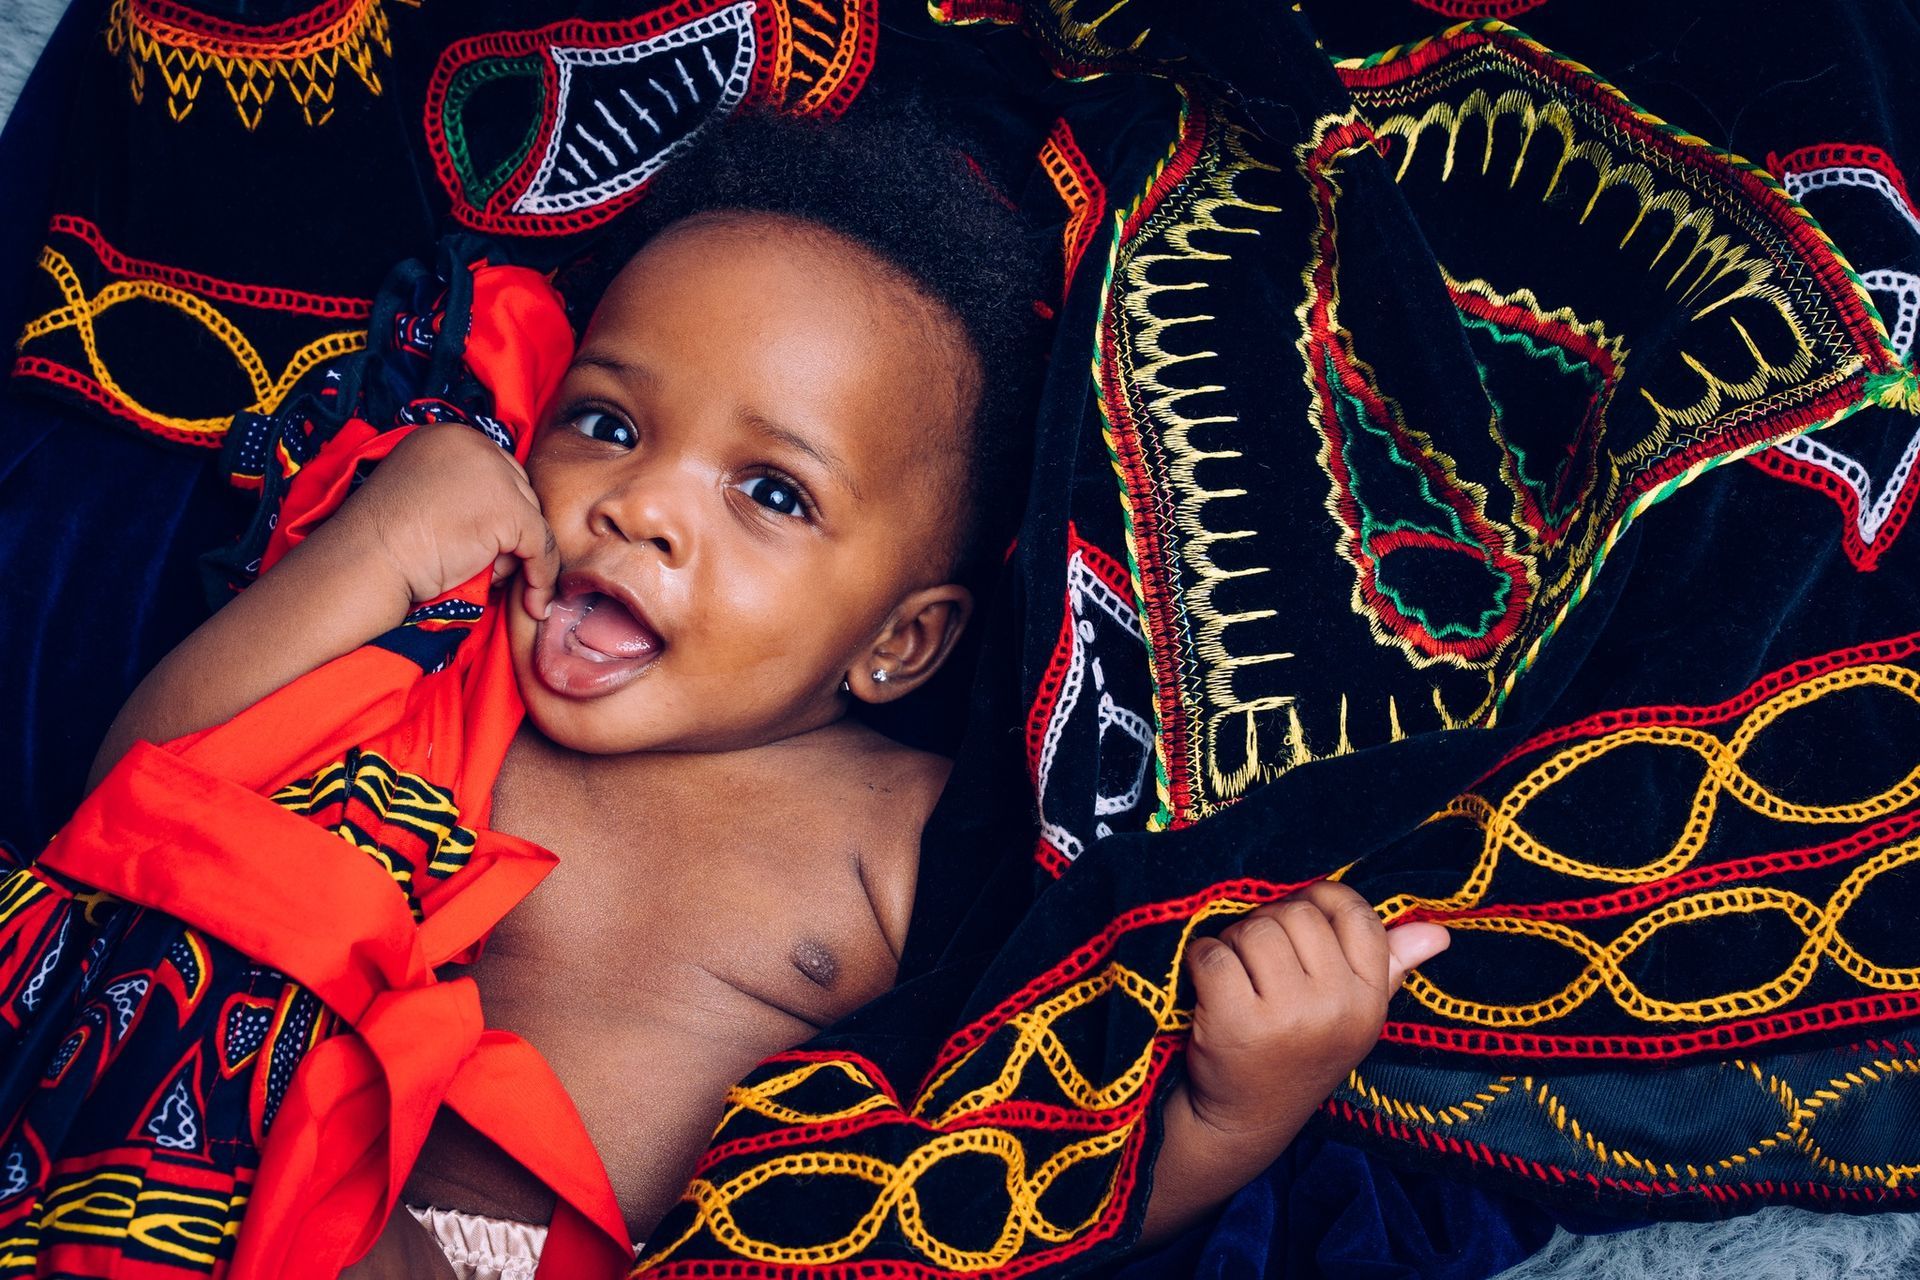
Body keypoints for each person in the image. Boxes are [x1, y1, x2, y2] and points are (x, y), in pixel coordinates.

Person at [49, 106, 1449, 1279]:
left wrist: (1230, 1110)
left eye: (770, 491)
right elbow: (148, 804)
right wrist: (373, 548)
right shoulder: (447, 651)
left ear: (898, 644)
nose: (639, 504)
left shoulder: (897, 836)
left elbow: (993, 1192)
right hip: (176, 1192)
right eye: (605, 423)